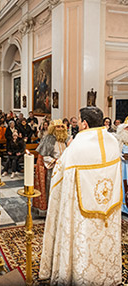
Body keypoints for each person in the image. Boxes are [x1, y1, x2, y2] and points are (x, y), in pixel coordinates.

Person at [39, 107, 122, 285]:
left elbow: (60, 174)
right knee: (103, 244)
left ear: (84, 123)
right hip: (108, 208)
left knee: (84, 243)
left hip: (82, 212)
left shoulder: (78, 145)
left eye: (79, 119)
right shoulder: (114, 142)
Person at [33, 119, 67, 216]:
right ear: (53, 128)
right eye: (57, 127)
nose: (60, 129)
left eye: (61, 126)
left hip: (64, 169)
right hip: (52, 169)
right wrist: (55, 161)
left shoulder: (66, 139)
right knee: (51, 189)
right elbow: (44, 156)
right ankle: (50, 211)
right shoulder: (48, 139)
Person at [116, 117, 128, 215]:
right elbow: (115, 153)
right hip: (122, 167)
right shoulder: (118, 140)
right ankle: (123, 207)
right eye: (126, 128)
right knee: (122, 186)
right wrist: (122, 156)